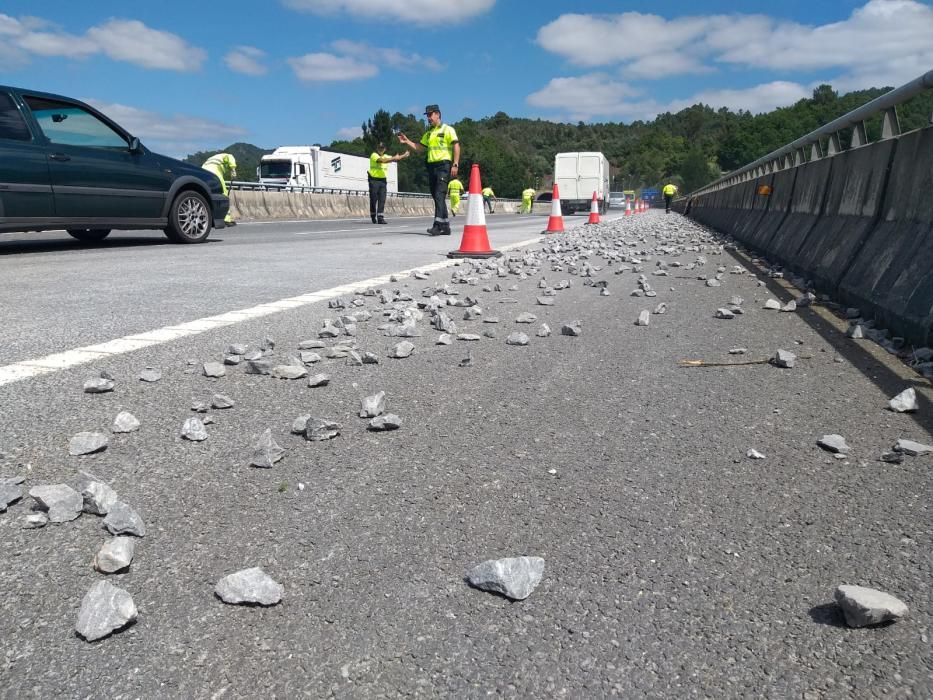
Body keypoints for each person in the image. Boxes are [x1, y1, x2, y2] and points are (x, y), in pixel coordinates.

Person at [397, 104, 460, 236]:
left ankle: (437, 225)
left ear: (438, 114)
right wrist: (407, 141)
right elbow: (419, 147)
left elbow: (456, 146)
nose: (429, 118)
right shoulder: (429, 133)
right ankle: (446, 225)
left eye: (430, 115)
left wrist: (455, 164)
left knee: (439, 195)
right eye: (427, 116)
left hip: (444, 166)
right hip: (432, 167)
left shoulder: (448, 129)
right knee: (437, 197)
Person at [368, 142, 409, 224]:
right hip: (374, 180)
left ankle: (380, 217)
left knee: (382, 199)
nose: (381, 150)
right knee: (373, 199)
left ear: (385, 149)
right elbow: (382, 161)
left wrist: (404, 155)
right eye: (379, 148)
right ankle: (373, 214)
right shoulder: (374, 155)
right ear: (377, 149)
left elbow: (395, 158)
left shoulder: (386, 156)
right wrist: (394, 158)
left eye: (382, 148)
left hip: (383, 180)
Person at [202, 152, 237, 225]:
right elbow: (230, 158)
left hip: (203, 172)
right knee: (224, 194)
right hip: (215, 173)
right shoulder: (227, 155)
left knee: (208, 195)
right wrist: (233, 169)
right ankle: (226, 219)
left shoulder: (212, 158)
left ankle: (207, 217)